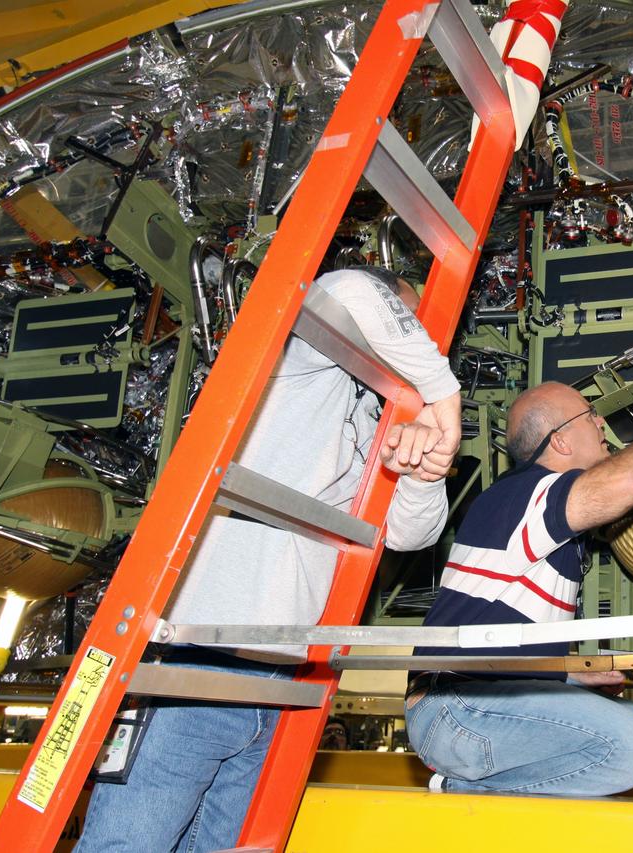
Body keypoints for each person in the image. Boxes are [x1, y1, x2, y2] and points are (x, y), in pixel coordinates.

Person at [77, 267, 461, 852]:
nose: (415, 337)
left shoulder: (384, 406)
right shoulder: (305, 360)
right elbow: (350, 287)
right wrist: (444, 391)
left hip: (284, 677)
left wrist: (424, 470)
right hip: (200, 659)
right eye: (407, 319)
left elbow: (410, 536)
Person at [406, 380, 633, 796]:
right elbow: (626, 484)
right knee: (631, 742)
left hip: (471, 705)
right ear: (561, 442)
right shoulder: (523, 493)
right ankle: (463, 792)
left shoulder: (538, 521)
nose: (602, 422)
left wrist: (570, 676)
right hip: (456, 709)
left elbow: (502, 647)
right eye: (590, 415)